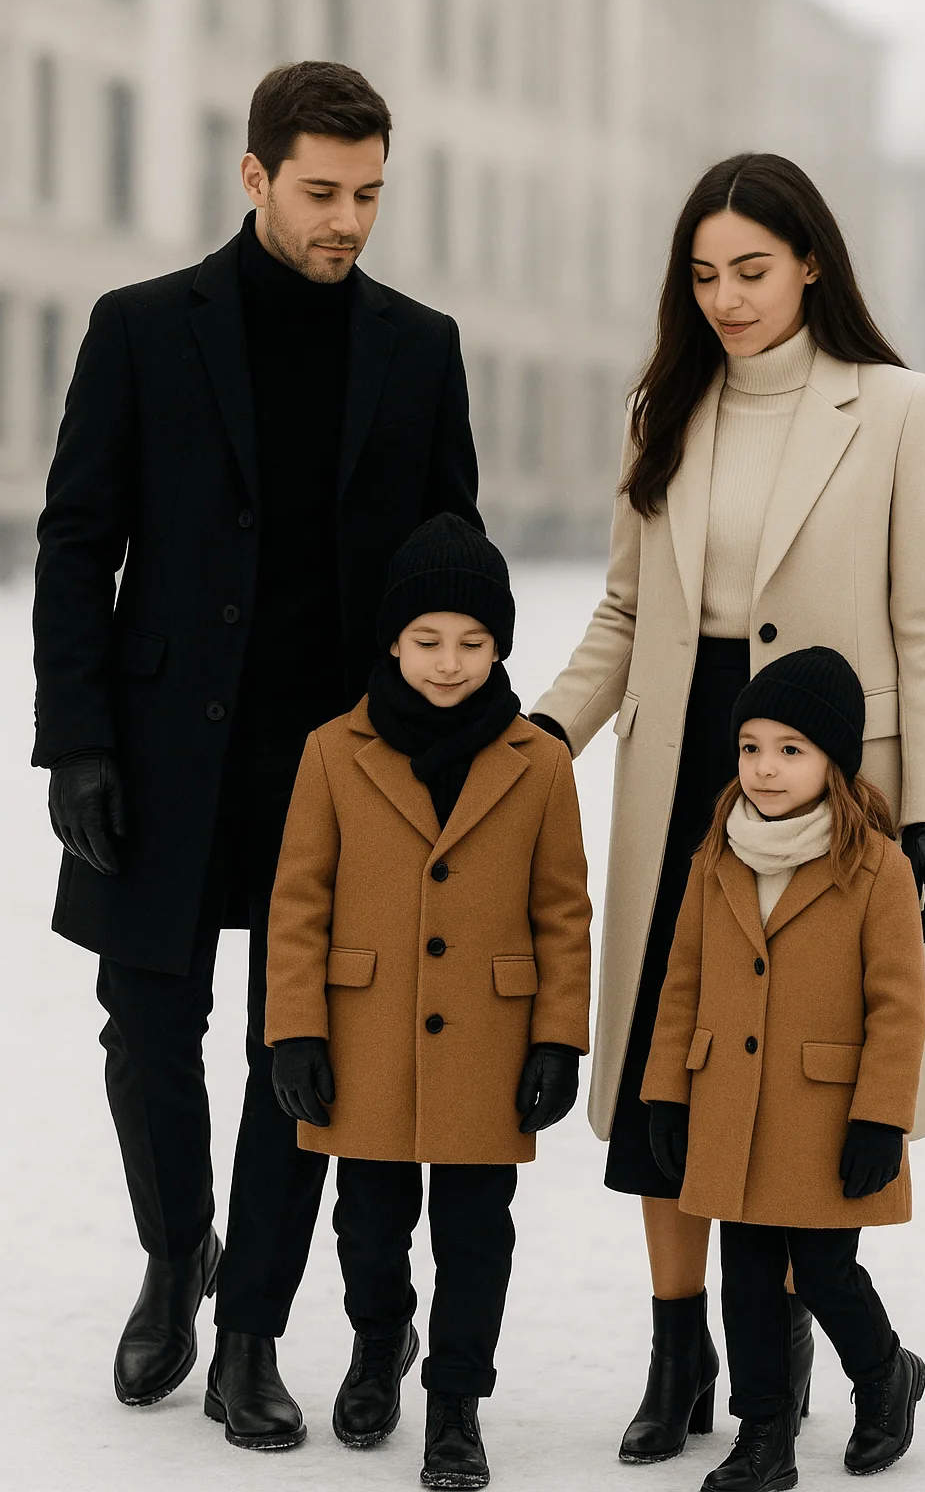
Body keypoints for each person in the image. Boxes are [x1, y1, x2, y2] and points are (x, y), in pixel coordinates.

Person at [32, 61, 482, 1447]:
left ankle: (249, 1336)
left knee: (305, 1051)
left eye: (369, 195)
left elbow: (447, 560)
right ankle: (181, 1254)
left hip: (341, 768)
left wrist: (446, 739)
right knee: (148, 1026)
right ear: (255, 176)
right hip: (166, 751)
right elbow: (75, 543)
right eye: (322, 191)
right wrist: (79, 743)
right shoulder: (140, 328)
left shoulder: (420, 346)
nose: (348, 219)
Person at [531, 151, 925, 1462]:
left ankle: (807, 1384)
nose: (726, 298)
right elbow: (624, 607)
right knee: (676, 1078)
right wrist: (547, 731)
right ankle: (681, 1365)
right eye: (705, 274)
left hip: (827, 796)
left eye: (753, 271)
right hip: (679, 786)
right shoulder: (667, 406)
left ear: (812, 264)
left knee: (790, 1090)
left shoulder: (896, 409)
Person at [263, 514, 591, 1489]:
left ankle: (455, 1404)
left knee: (475, 1231)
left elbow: (563, 912)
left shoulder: (537, 762)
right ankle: (378, 1344)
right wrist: (294, 1030)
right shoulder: (332, 751)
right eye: (426, 641)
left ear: (499, 647)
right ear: (392, 642)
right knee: (368, 1224)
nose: (448, 663)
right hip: (363, 1040)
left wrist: (556, 1041)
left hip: (490, 1045)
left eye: (472, 643)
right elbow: (297, 905)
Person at [643, 647, 925, 1491]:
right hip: (729, 1105)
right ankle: (763, 1436)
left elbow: (899, 1009)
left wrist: (882, 1115)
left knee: (828, 1273)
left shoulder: (877, 869)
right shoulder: (715, 858)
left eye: (791, 749)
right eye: (751, 747)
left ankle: (885, 1375)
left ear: (834, 761)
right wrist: (666, 1093)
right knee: (750, 1280)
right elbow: (681, 984)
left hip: (825, 1116)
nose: (765, 768)